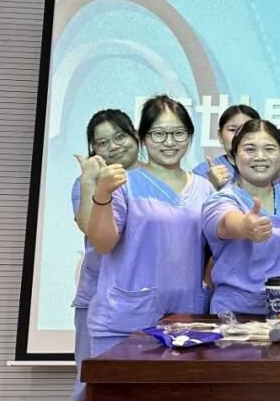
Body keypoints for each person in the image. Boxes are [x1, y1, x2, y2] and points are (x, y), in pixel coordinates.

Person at [85, 95, 214, 357]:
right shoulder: (124, 184)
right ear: (142, 138)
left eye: (178, 133)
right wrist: (102, 193)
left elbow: (214, 252)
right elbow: (103, 243)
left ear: (190, 136)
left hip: (183, 323)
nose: (169, 142)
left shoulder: (205, 189)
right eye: (159, 134)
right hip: (124, 323)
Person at [59, 110, 140, 401]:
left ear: (136, 136)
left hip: (144, 298)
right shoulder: (87, 182)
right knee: (88, 383)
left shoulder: (155, 180)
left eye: (120, 136)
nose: (113, 146)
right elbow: (87, 226)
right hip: (97, 297)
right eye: (102, 142)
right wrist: (93, 183)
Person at [203, 119, 280, 315]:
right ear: (233, 156)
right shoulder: (222, 199)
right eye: (250, 149)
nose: (260, 157)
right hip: (236, 317)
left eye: (269, 149)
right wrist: (245, 227)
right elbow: (227, 223)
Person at [191, 103, 260, 190]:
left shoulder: (269, 169)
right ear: (220, 136)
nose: (239, 135)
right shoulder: (202, 172)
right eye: (232, 130)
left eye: (247, 130)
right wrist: (211, 186)